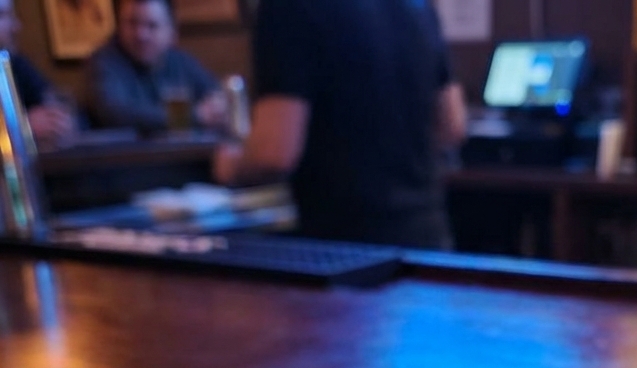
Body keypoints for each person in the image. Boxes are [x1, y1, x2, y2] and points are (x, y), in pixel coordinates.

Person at [213, 0, 467, 249]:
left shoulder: (288, 7)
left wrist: (230, 166)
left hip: (345, 248)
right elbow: (452, 126)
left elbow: (273, 155)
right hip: (426, 238)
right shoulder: (419, 6)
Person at [85, 0, 227, 134]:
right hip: (126, 153)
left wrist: (218, 107)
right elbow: (116, 114)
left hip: (183, 152)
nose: (141, 35)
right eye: (132, 23)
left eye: (152, 25)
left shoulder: (180, 61)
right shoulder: (103, 62)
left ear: (171, 32)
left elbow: (214, 95)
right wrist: (193, 117)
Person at [0, 0, 76, 149]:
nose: (16, 26)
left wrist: (62, 122)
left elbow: (54, 102)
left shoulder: (16, 64)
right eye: (2, 16)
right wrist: (22, 127)